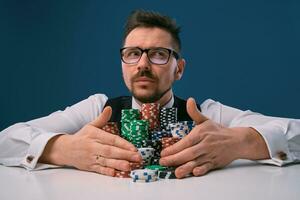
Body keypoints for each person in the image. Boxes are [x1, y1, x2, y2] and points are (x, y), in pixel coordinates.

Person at [0, 10, 299, 179]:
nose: (143, 64)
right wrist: (64, 149)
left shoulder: (208, 115)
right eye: (133, 54)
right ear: (122, 64)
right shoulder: (97, 109)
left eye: (157, 54)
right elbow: (5, 140)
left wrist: (242, 142)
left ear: (178, 69)